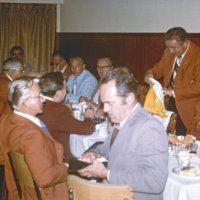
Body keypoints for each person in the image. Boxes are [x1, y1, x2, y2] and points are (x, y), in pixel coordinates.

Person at [78, 70, 168, 200]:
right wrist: (94, 153)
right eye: (104, 103)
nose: (105, 109)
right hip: (113, 193)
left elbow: (155, 181)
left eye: (110, 103)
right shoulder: (121, 119)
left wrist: (106, 173)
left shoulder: (149, 127)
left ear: (130, 98)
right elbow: (107, 148)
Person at [0, 76, 69, 200]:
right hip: (47, 194)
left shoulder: (7, 120)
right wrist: (67, 167)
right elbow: (44, 178)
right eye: (39, 96)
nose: (43, 100)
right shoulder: (31, 136)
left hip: (19, 191)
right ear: (25, 101)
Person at [144, 27, 200, 136]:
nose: (171, 51)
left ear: (185, 42)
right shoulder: (168, 51)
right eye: (168, 47)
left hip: (189, 108)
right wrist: (150, 73)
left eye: (174, 48)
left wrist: (173, 92)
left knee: (184, 143)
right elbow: (159, 68)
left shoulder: (197, 56)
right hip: (169, 104)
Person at [38, 72, 95, 162]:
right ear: (58, 93)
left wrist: (63, 108)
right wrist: (88, 117)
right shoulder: (59, 111)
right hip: (59, 159)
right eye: (65, 88)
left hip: (43, 154)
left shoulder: (38, 104)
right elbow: (86, 129)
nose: (67, 91)